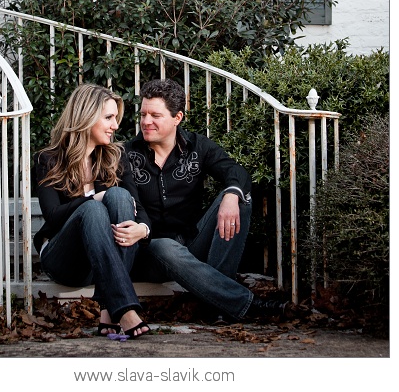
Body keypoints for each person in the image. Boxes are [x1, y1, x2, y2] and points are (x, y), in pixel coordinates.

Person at [123, 78, 290, 324]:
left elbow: (236, 172)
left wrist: (231, 195)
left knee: (239, 197)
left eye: (155, 115)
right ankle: (243, 304)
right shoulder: (128, 154)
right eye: (143, 114)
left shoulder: (197, 146)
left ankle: (218, 305)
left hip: (192, 243)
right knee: (165, 246)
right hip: (149, 252)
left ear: (177, 117)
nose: (146, 122)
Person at [33, 83, 151, 339]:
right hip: (64, 258)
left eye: (115, 118)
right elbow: (52, 216)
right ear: (86, 117)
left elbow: (137, 209)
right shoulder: (48, 159)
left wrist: (142, 229)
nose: (115, 125)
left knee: (120, 195)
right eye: (109, 117)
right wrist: (93, 197)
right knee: (93, 210)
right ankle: (126, 309)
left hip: (99, 261)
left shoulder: (116, 158)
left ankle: (110, 306)